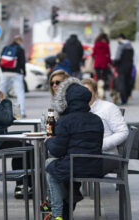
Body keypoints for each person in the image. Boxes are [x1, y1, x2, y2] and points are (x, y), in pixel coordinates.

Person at [44, 77, 104, 220]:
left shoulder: (65, 121)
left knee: (49, 167)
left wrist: (48, 141)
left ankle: (56, 213)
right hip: (95, 166)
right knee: (57, 168)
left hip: (74, 165)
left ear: (67, 100)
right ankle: (54, 207)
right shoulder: (96, 119)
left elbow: (57, 151)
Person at [81, 78, 129, 155]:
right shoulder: (76, 110)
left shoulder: (108, 107)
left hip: (105, 155)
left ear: (96, 93)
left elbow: (122, 132)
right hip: (81, 156)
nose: (84, 94)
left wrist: (99, 145)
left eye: (88, 91)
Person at [0, 35, 27, 117]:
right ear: (20, 41)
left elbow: (0, 61)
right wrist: (24, 73)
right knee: (19, 93)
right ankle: (21, 112)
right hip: (16, 73)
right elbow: (22, 62)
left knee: (1, 92)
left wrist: (3, 71)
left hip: (5, 73)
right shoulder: (20, 49)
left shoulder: (6, 48)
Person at [113, 33, 134, 105]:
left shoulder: (121, 46)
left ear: (120, 38)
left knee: (121, 83)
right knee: (127, 82)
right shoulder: (130, 46)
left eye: (117, 39)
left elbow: (117, 57)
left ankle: (123, 99)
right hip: (129, 67)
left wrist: (114, 64)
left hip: (121, 68)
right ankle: (126, 98)